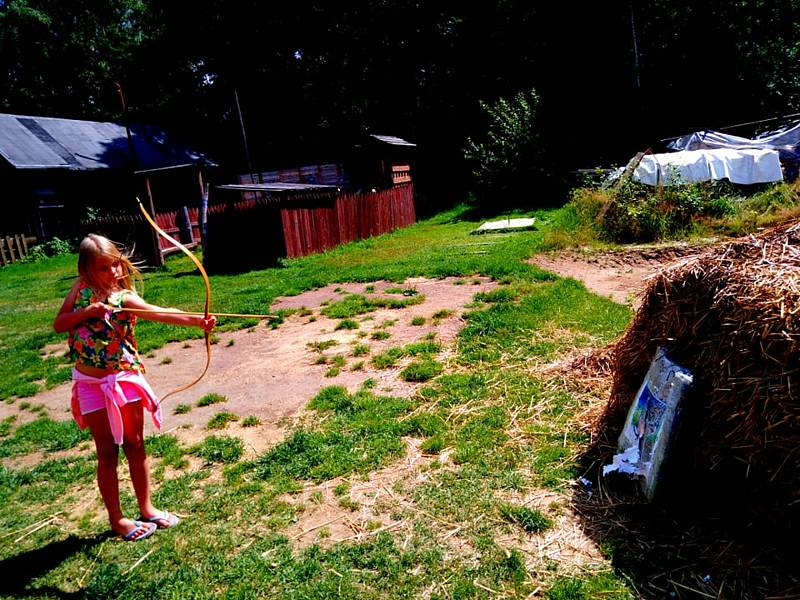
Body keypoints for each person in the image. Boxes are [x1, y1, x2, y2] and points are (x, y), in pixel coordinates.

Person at [53, 234, 216, 542]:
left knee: (135, 443)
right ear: (86, 270)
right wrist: (87, 312)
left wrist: (198, 321)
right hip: (89, 383)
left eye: (115, 264)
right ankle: (117, 520)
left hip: (123, 379)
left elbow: (159, 311)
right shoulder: (79, 291)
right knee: (106, 452)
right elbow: (60, 323)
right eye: (103, 268)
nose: (113, 272)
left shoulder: (123, 298)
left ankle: (147, 508)